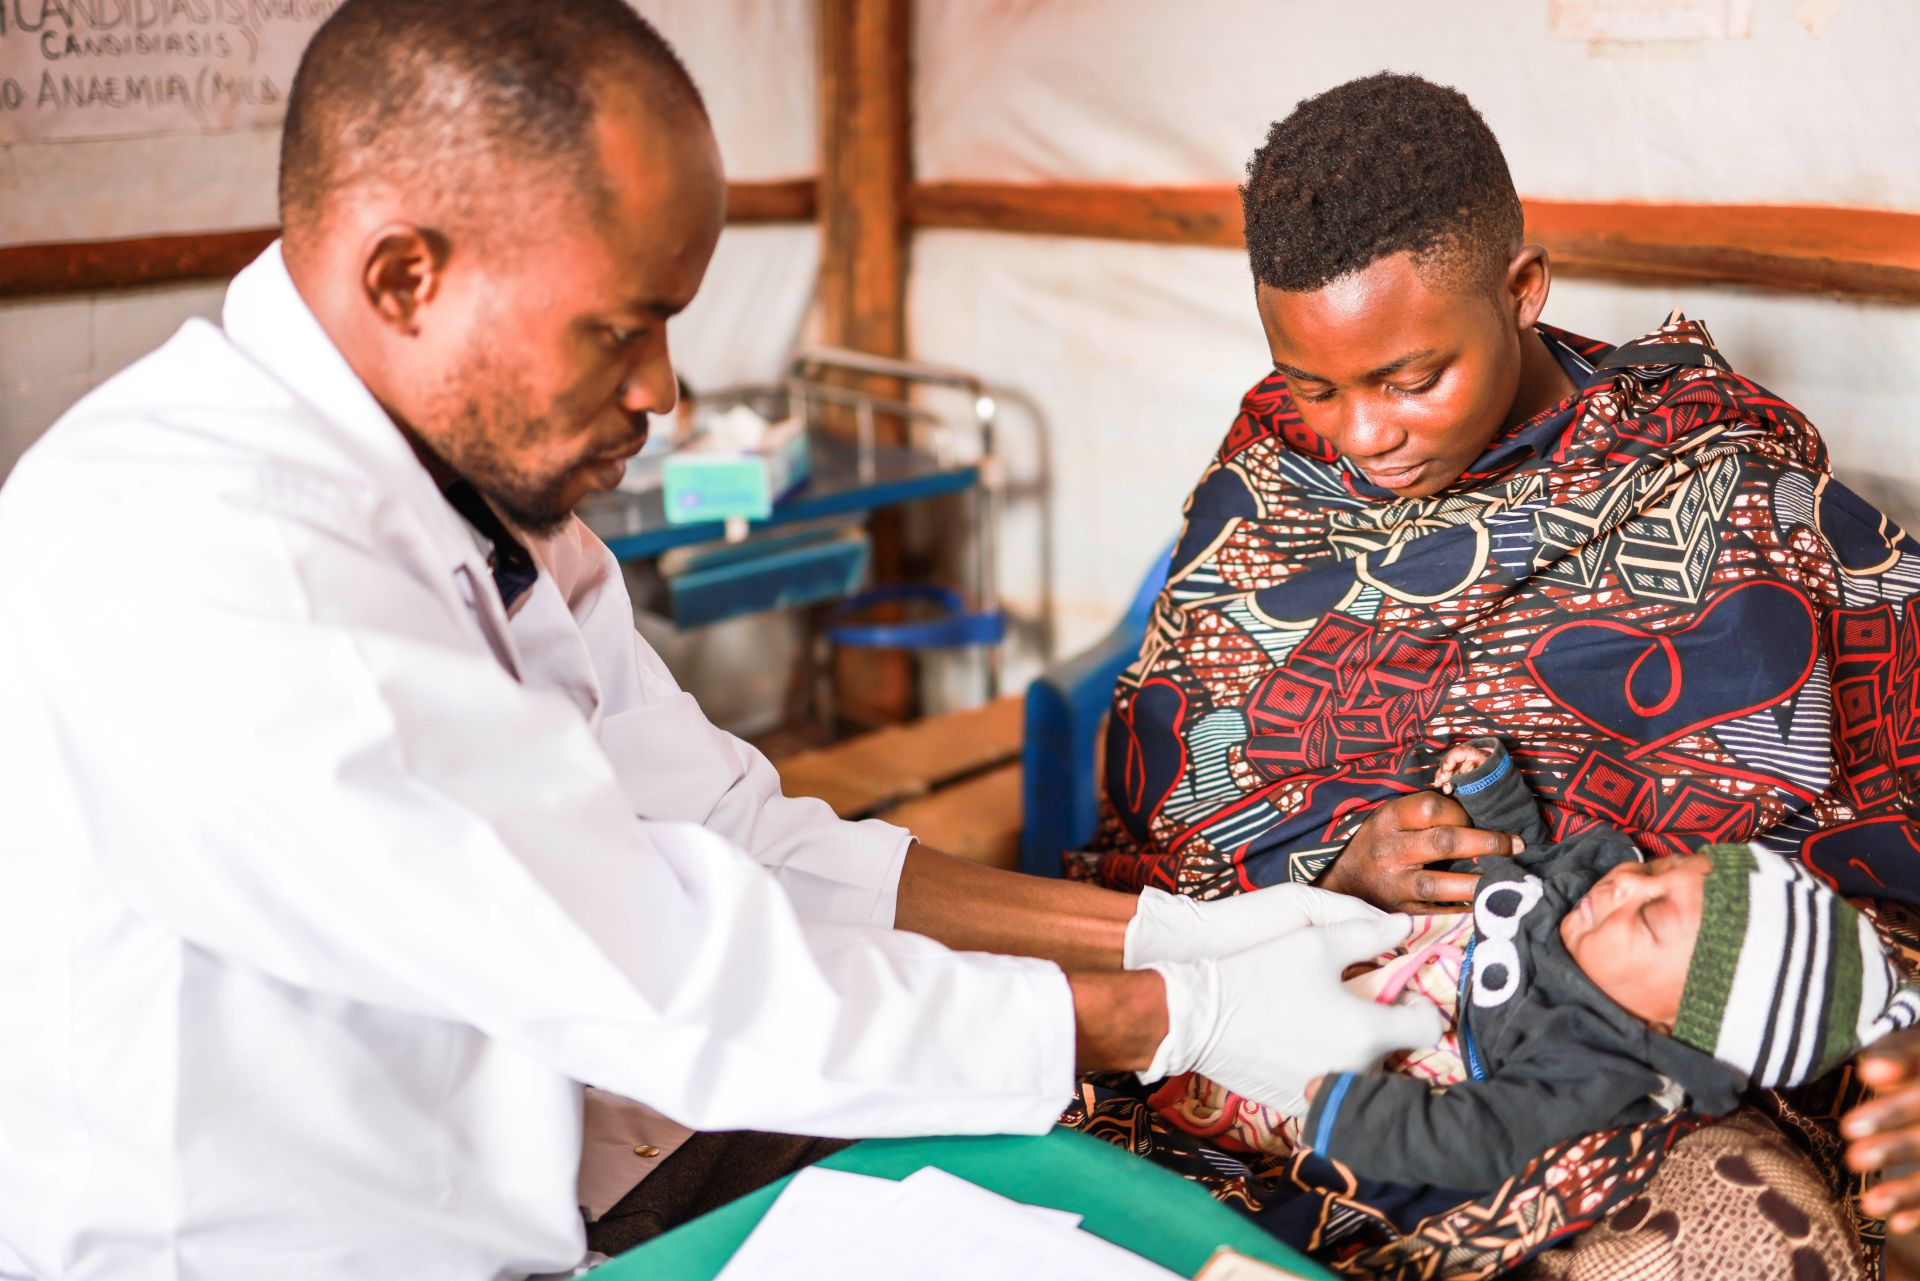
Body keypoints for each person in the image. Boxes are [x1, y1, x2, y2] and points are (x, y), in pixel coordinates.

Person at [0, 6, 1440, 1279]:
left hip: (541, 1161)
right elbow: (670, 978)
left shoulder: (482, 502)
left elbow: (736, 836)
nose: (665, 394)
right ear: (403, 280)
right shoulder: (206, 564)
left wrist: (1173, 931)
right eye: (622, 329)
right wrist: (1172, 1013)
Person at [1065, 70, 1920, 1273]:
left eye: (1411, 379)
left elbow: (1881, 833)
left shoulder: (1728, 493)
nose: (1362, 433)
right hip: (1277, 1027)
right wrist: (1331, 862)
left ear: (1523, 290)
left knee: (1747, 1246)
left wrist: (1887, 1026)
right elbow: (1170, 796)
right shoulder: (1267, 478)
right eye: (1316, 386)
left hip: (1621, 1086)